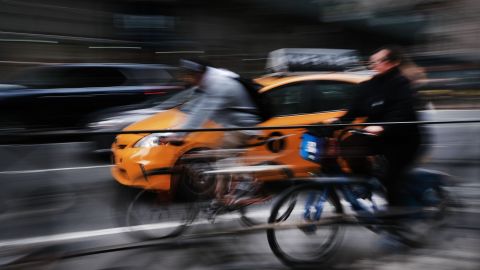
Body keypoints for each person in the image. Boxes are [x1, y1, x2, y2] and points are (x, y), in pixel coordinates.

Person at [326, 46, 423, 206]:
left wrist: (383, 127)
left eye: (379, 61)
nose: (373, 65)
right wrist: (338, 122)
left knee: (392, 179)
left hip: (402, 140)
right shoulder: (369, 85)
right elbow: (354, 110)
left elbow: (402, 112)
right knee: (349, 146)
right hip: (375, 137)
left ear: (394, 63)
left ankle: (396, 217)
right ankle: (364, 182)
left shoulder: (402, 84)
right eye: (372, 61)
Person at [169, 58, 262, 205]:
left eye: (191, 76)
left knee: (223, 155)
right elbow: (192, 109)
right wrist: (172, 131)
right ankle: (221, 198)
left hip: (244, 126)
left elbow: (202, 112)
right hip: (231, 125)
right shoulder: (207, 83)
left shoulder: (218, 84)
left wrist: (180, 135)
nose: (189, 80)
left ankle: (248, 181)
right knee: (220, 158)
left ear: (199, 74)